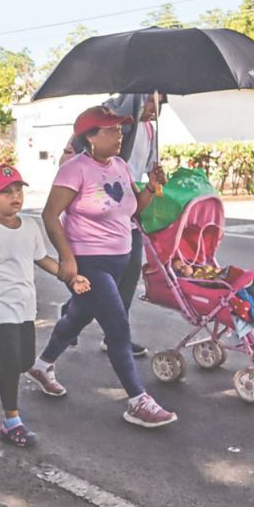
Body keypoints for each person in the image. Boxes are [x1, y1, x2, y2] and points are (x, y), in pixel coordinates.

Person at [28, 106, 177, 428]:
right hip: (88, 263)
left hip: (120, 258)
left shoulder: (121, 166)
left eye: (120, 129)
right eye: (111, 130)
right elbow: (50, 215)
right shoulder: (74, 170)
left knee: (76, 318)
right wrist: (67, 259)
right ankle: (138, 400)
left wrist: (151, 186)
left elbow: (135, 210)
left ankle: (42, 365)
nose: (120, 134)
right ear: (91, 137)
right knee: (117, 327)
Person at [0, 165, 90, 447]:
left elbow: (42, 259)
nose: (14, 196)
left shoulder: (30, 227)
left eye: (18, 190)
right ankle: (12, 422)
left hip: (24, 304)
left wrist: (70, 277)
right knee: (11, 362)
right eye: (6, 192)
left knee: (23, 362)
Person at [59, 94, 164, 356]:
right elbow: (67, 163)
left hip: (127, 216)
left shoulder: (150, 131)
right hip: (94, 231)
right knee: (99, 288)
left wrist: (152, 184)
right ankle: (76, 324)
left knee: (127, 281)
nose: (155, 108)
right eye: (151, 102)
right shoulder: (104, 125)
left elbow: (144, 177)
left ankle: (112, 334)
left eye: (160, 103)